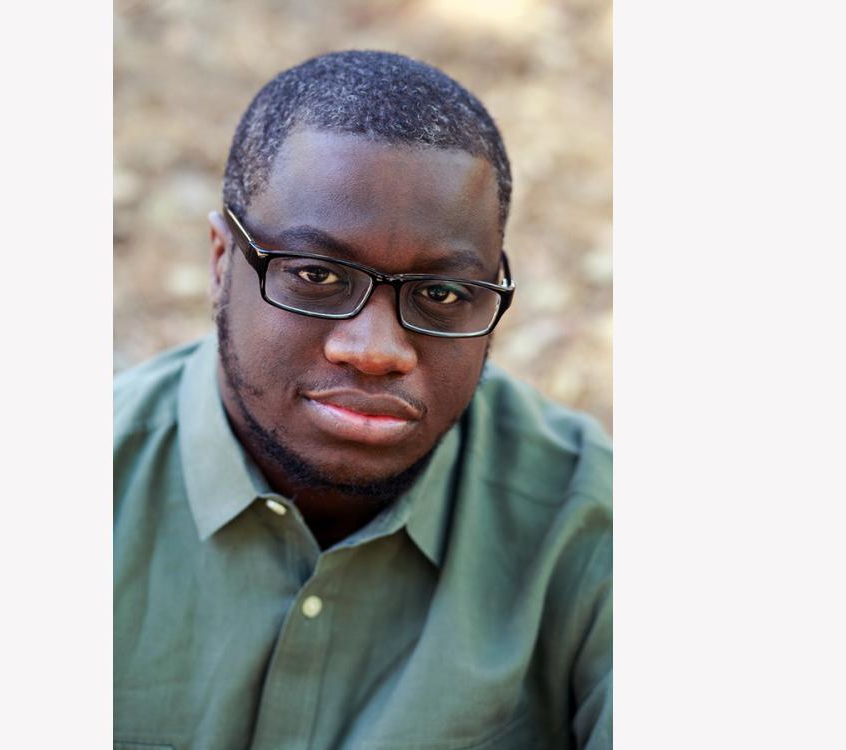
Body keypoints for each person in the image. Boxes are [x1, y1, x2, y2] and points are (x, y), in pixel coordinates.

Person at [114, 50, 611, 750]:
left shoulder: (590, 527)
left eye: (442, 295)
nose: (376, 350)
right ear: (222, 263)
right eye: (316, 274)